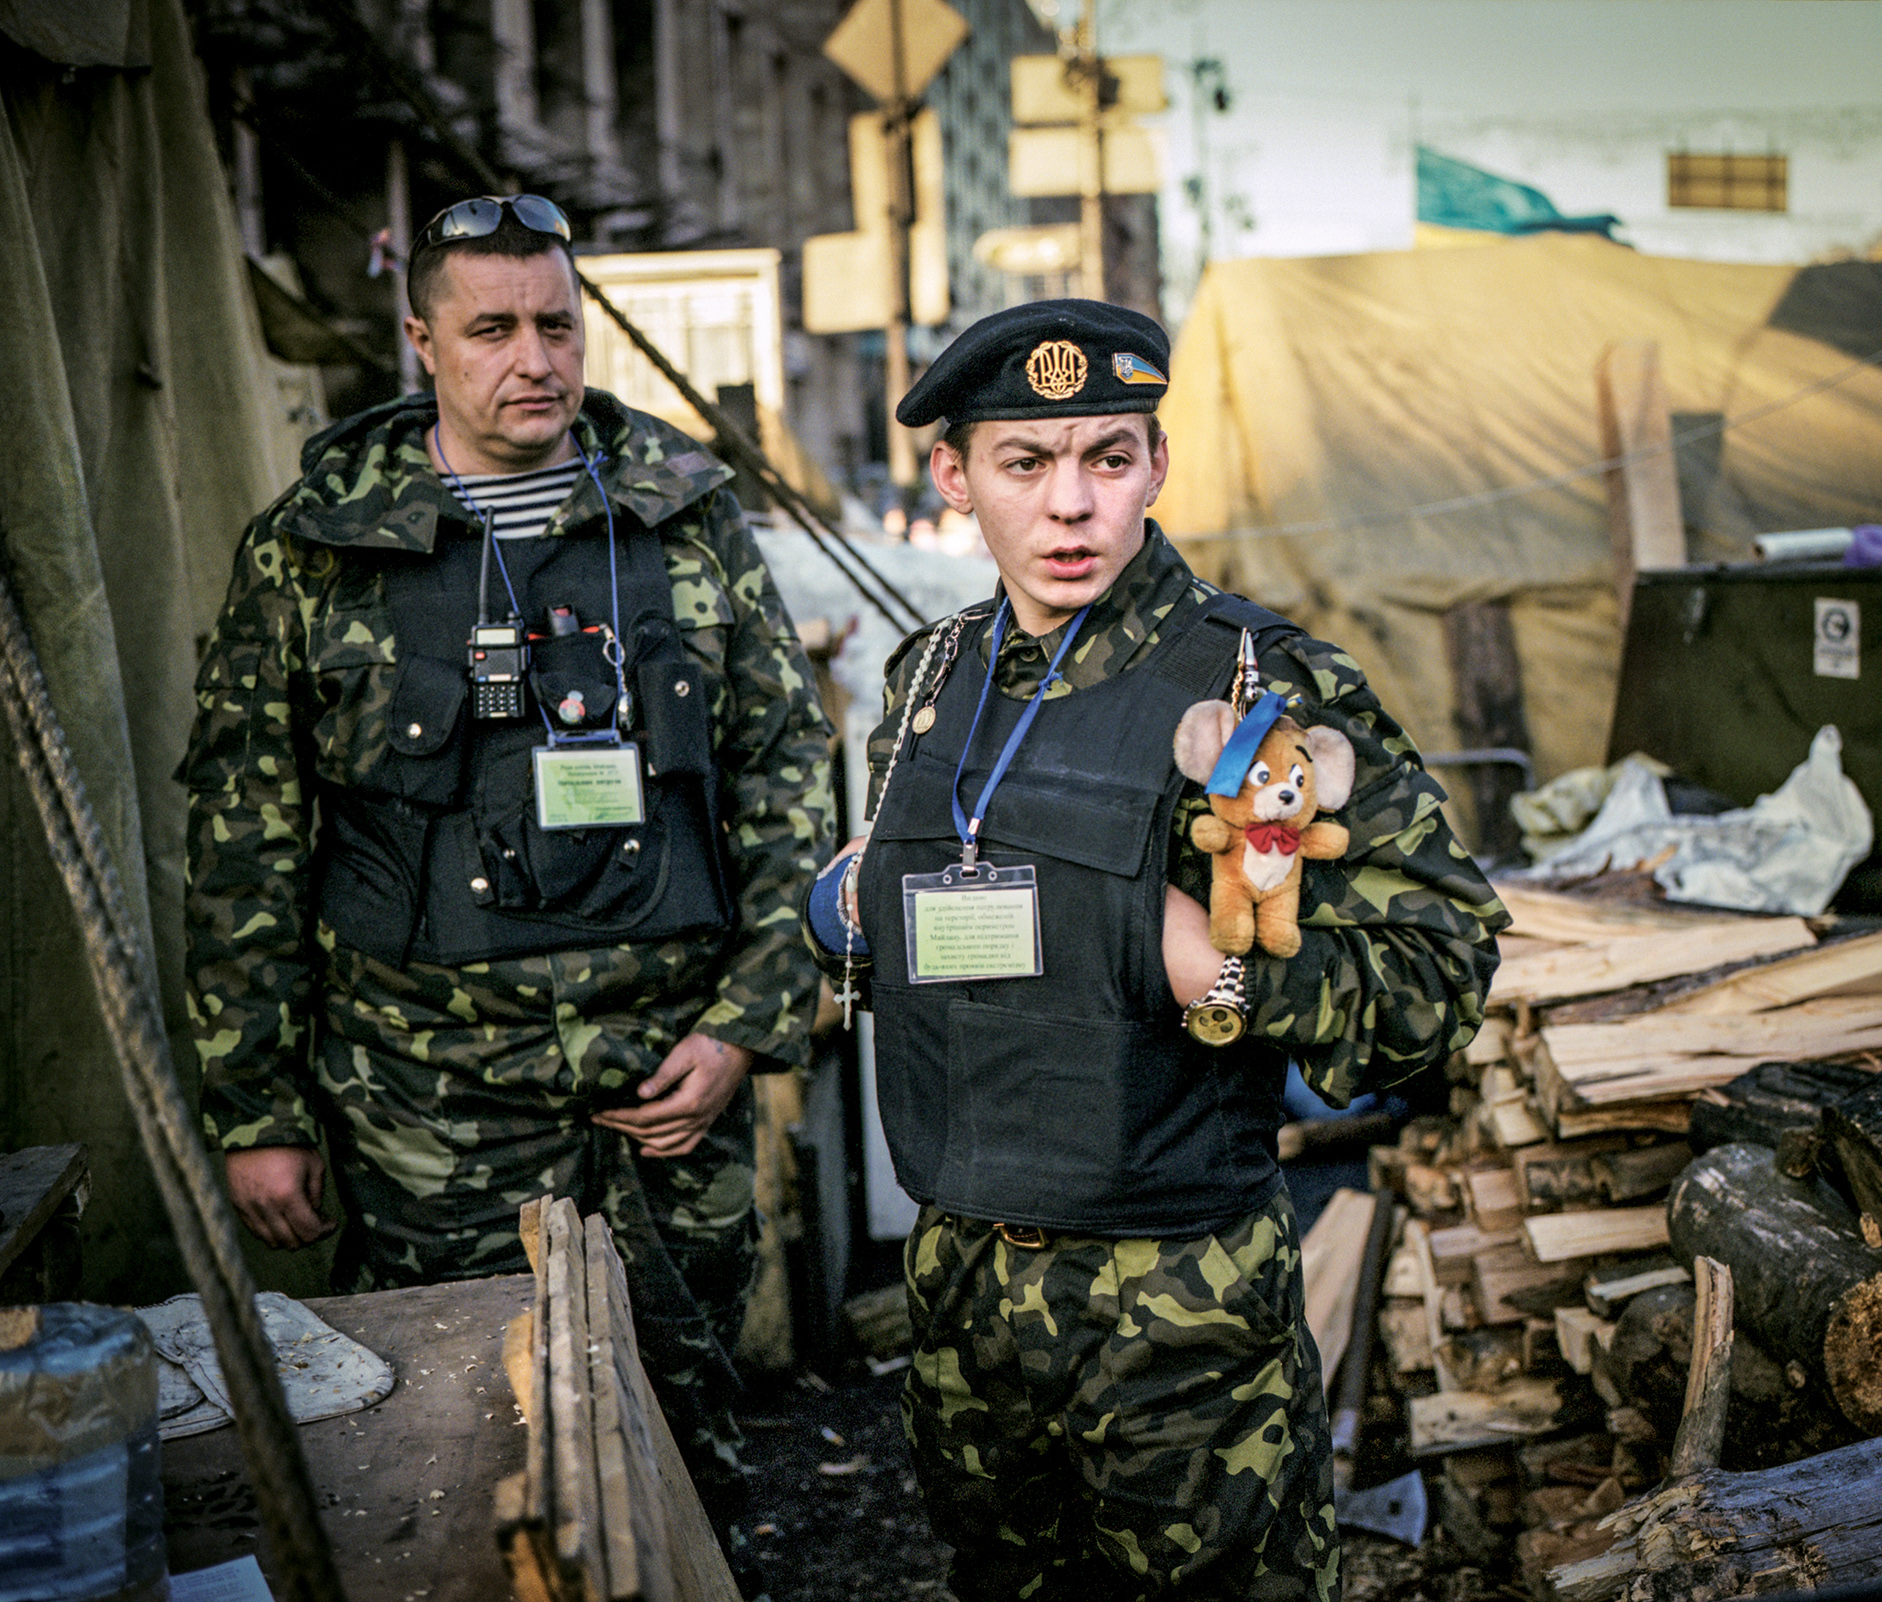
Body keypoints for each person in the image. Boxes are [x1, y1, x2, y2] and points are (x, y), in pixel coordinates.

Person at [803, 300, 1506, 1601]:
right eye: (1026, 463)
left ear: (1156, 465)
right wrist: (858, 898)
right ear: (954, 475)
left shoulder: (1260, 684)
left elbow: (1443, 969)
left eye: (1108, 459)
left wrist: (1222, 970)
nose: (1071, 506)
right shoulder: (927, 680)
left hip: (1180, 1303)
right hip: (963, 1291)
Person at [180, 194, 833, 1554]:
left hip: (667, 1092)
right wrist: (258, 1109)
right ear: (422, 339)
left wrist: (739, 1030)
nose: (532, 358)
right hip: (429, 1107)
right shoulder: (318, 550)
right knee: (453, 1451)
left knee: (687, 1431)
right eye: (491, 328)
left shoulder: (687, 521)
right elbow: (244, 839)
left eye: (555, 323)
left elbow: (788, 780)